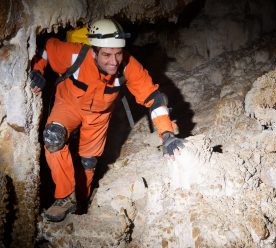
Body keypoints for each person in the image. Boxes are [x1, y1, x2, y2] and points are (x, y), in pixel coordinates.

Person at [30, 19, 185, 222]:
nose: (114, 61)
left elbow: (153, 98)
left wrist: (167, 134)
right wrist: (37, 70)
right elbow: (48, 49)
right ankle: (64, 197)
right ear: (93, 51)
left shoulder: (128, 65)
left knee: (88, 161)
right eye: (106, 54)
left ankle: (81, 203)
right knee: (53, 137)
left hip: (98, 116)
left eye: (118, 53)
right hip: (69, 105)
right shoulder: (76, 54)